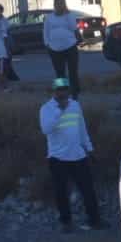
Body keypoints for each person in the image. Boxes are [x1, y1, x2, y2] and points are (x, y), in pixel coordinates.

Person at [39, 78, 102, 232]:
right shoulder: (46, 109)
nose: (63, 92)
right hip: (58, 158)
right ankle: (66, 223)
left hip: (79, 156)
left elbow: (82, 129)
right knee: (61, 192)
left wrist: (89, 148)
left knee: (88, 189)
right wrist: (60, 111)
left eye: (65, 89)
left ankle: (95, 221)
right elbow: (45, 129)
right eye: (59, 89)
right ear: (54, 91)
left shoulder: (75, 105)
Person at [43, 0, 83, 95]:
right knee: (59, 73)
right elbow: (45, 32)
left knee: (72, 71)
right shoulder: (49, 17)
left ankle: (75, 92)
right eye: (57, 3)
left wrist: (67, 15)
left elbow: (74, 29)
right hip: (54, 49)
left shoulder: (69, 15)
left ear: (64, 4)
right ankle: (62, 92)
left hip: (70, 46)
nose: (60, 5)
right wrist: (47, 44)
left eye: (62, 3)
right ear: (54, 4)